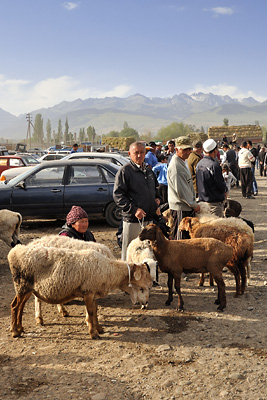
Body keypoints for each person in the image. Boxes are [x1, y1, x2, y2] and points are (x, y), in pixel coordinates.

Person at [113, 141, 161, 260]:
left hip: (149, 219)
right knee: (131, 252)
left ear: (145, 153)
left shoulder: (149, 171)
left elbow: (156, 189)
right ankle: (129, 277)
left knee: (148, 253)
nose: (139, 155)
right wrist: (134, 209)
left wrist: (157, 200)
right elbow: (118, 195)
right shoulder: (125, 171)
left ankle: (148, 278)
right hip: (133, 220)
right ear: (130, 154)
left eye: (142, 152)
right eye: (136, 153)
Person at [167, 136, 200, 239]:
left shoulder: (182, 161)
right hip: (181, 207)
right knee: (180, 237)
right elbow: (181, 191)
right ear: (177, 149)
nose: (188, 152)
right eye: (185, 149)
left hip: (184, 205)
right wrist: (194, 204)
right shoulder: (176, 167)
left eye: (190, 149)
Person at [196, 138, 228, 217]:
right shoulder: (214, 165)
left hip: (202, 202)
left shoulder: (199, 164)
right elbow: (220, 185)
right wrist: (225, 191)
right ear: (215, 150)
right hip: (214, 204)